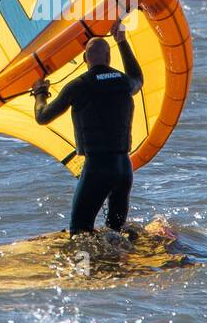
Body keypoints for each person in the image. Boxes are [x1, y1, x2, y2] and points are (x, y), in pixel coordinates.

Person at [31, 20, 143, 235]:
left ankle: (92, 267)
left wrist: (40, 93)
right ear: (109, 58)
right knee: (116, 232)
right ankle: (123, 266)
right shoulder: (124, 82)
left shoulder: (78, 86)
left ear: (85, 59)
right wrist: (122, 40)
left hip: (97, 168)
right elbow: (138, 78)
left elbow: (42, 117)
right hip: (124, 168)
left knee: (79, 232)